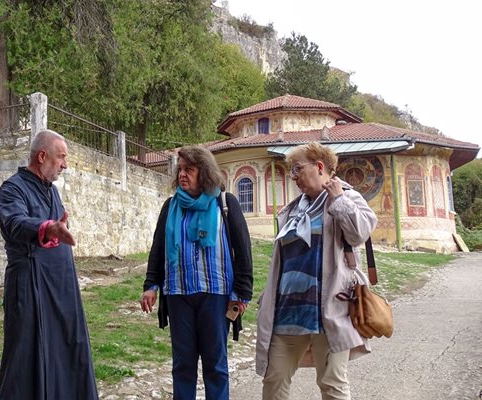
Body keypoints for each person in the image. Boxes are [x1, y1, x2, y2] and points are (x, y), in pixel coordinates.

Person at [255, 142, 378, 400]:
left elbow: (359, 234)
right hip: (287, 309)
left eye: (298, 168)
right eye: (292, 170)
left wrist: (338, 200)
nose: (293, 176)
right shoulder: (292, 209)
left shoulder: (348, 196)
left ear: (320, 167)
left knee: (332, 383)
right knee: (274, 378)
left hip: (329, 308)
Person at [140, 146, 253, 400]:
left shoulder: (225, 204)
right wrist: (151, 285)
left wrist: (242, 293)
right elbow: (158, 248)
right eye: (180, 169)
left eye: (189, 169)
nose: (182, 174)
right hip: (178, 295)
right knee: (182, 366)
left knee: (215, 365)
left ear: (204, 173)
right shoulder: (170, 207)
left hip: (216, 295)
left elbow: (244, 250)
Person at [0, 129, 98, 400]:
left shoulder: (51, 191)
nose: (65, 164)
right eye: (61, 157)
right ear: (42, 156)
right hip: (31, 284)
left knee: (67, 347)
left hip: (61, 284)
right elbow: (15, 222)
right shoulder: (12, 188)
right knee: (27, 355)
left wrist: (57, 228)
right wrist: (48, 228)